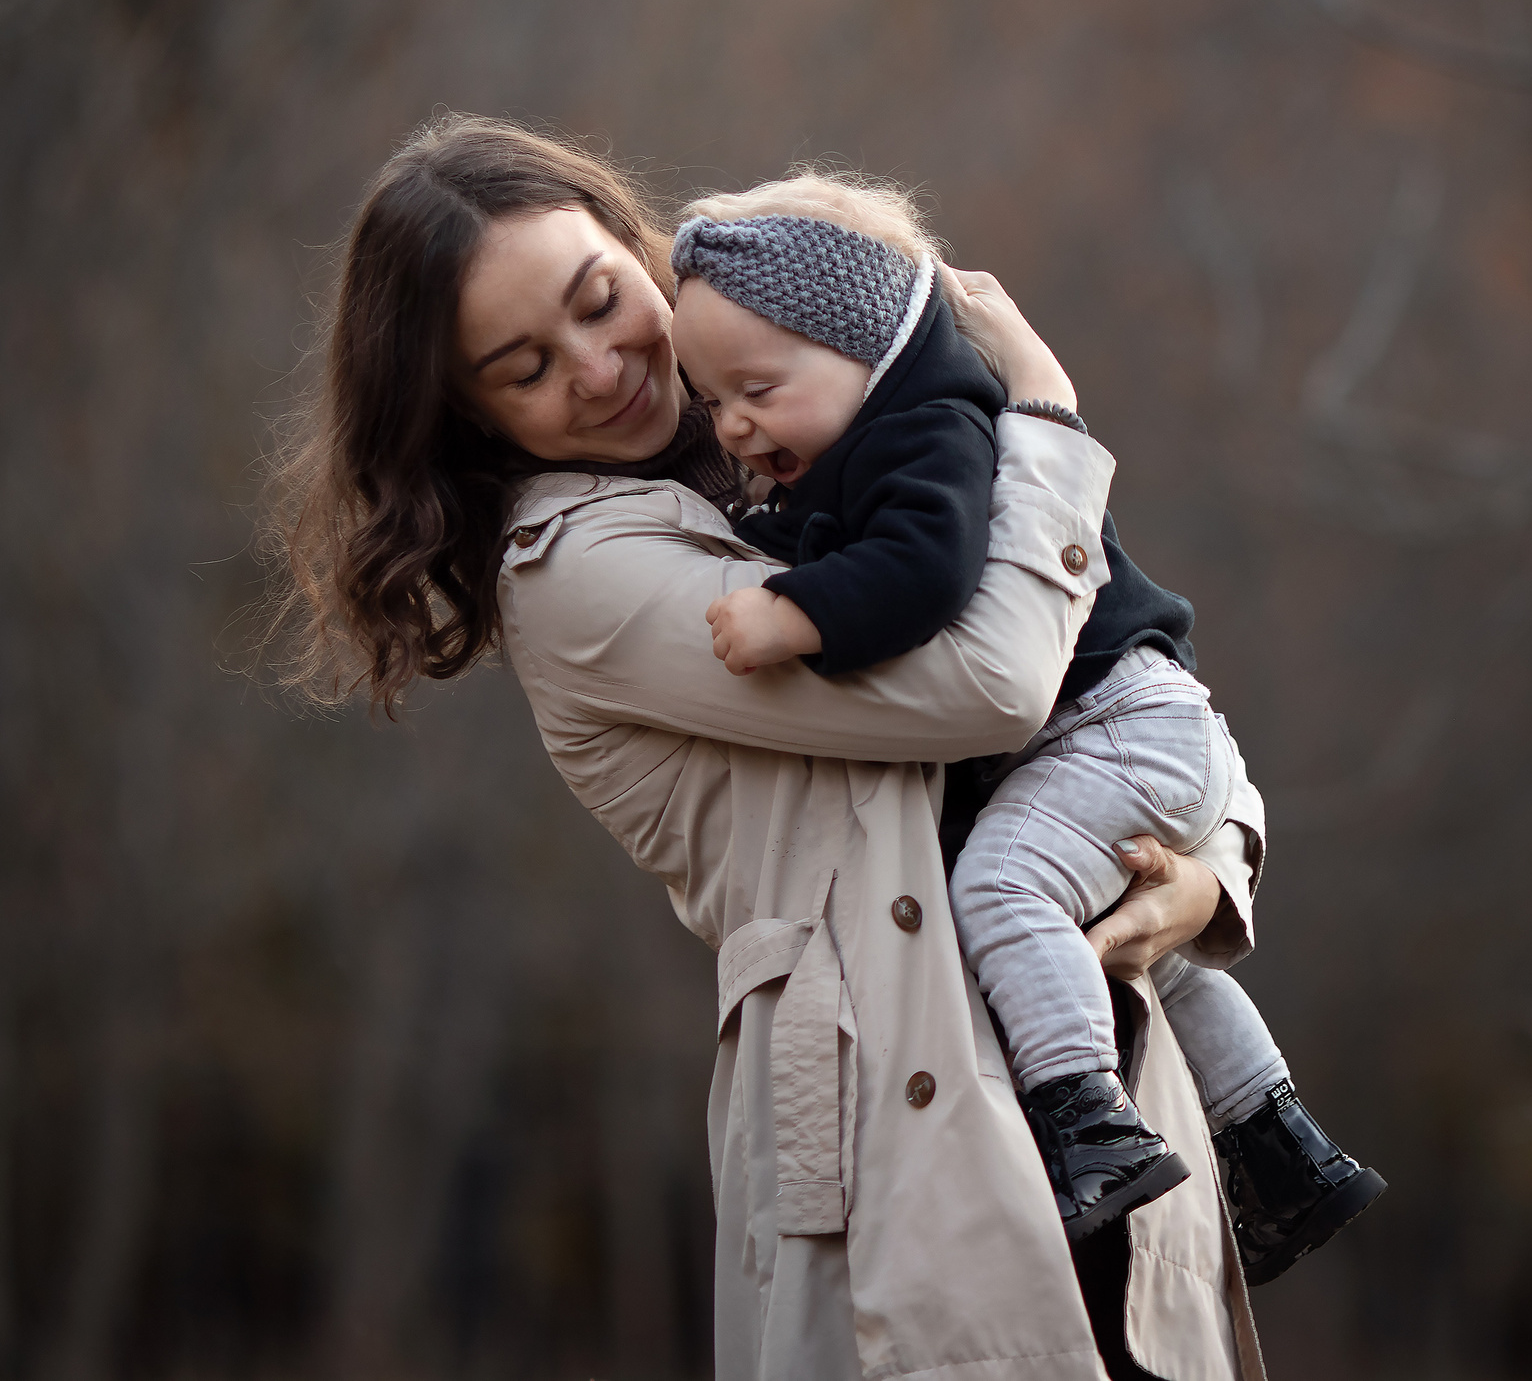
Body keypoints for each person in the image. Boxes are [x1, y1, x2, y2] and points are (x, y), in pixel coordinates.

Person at [263, 113, 1263, 1380]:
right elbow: (1001, 684)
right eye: (523, 367)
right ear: (467, 418)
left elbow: (1116, 679)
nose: (597, 367)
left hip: (1099, 1086)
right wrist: (1048, 420)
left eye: (599, 299)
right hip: (903, 1139)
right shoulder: (580, 572)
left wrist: (1203, 869)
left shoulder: (801, 436)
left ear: (647, 250)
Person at [664, 174, 1386, 1276]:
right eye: (712, 402)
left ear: (871, 350)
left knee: (1000, 890)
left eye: (758, 387)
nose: (735, 424)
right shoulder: (864, 446)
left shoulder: (932, 430)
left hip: (1115, 727)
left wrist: (794, 611)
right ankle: (1280, 1145)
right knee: (1150, 960)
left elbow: (926, 574)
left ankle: (1087, 1126)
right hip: (1134, 731)